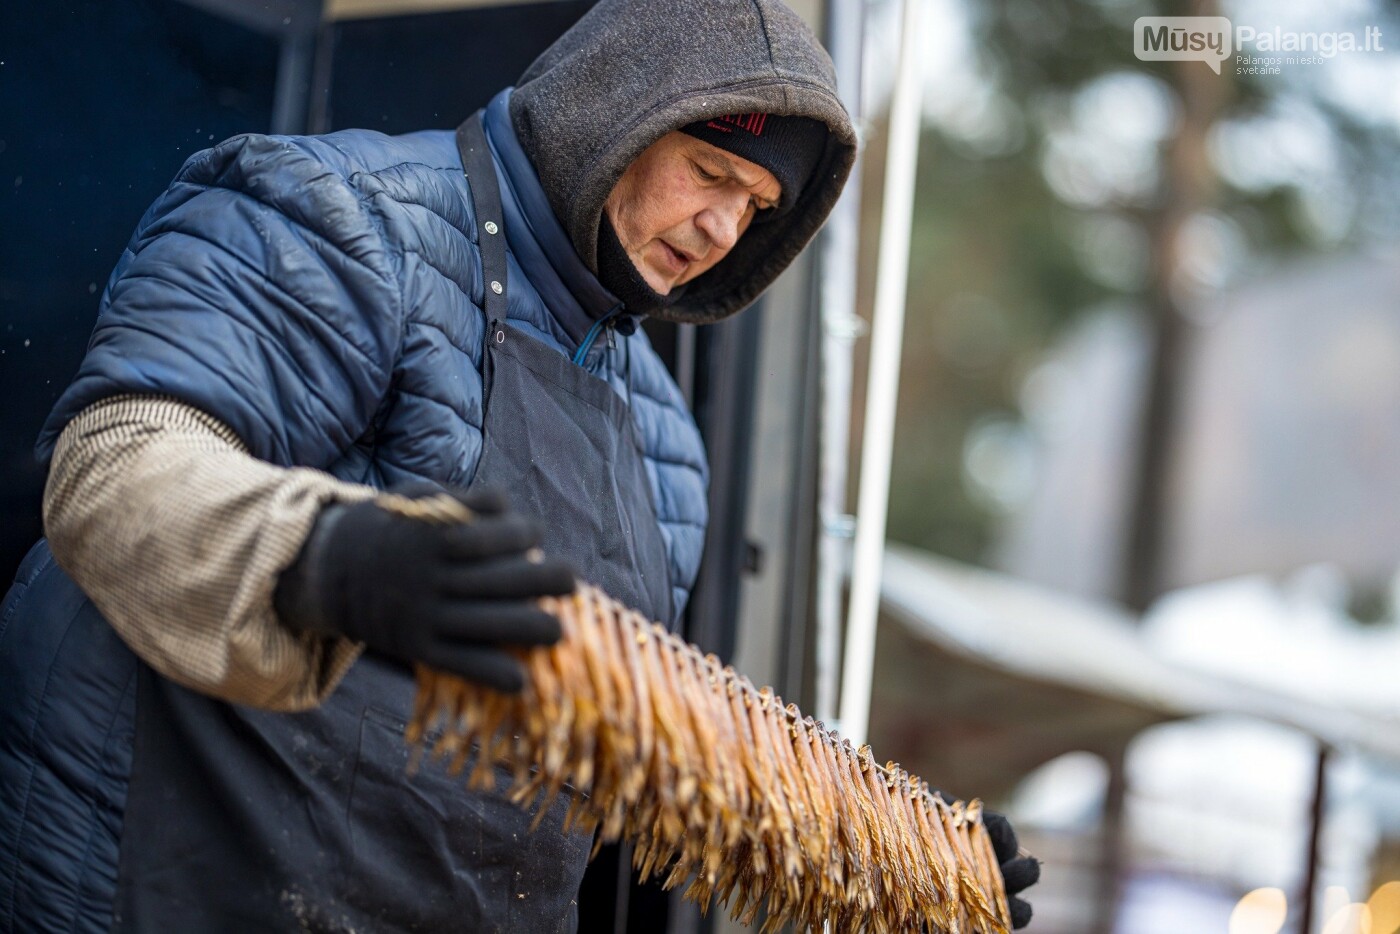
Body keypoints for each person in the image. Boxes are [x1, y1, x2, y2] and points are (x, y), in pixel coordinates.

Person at [0, 0, 1036, 930]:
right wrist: (328, 561)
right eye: (711, 173)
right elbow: (113, 471)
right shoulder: (335, 217)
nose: (724, 227)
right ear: (614, 112)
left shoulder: (667, 440)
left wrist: (900, 859)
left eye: (757, 209)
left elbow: (626, 742)